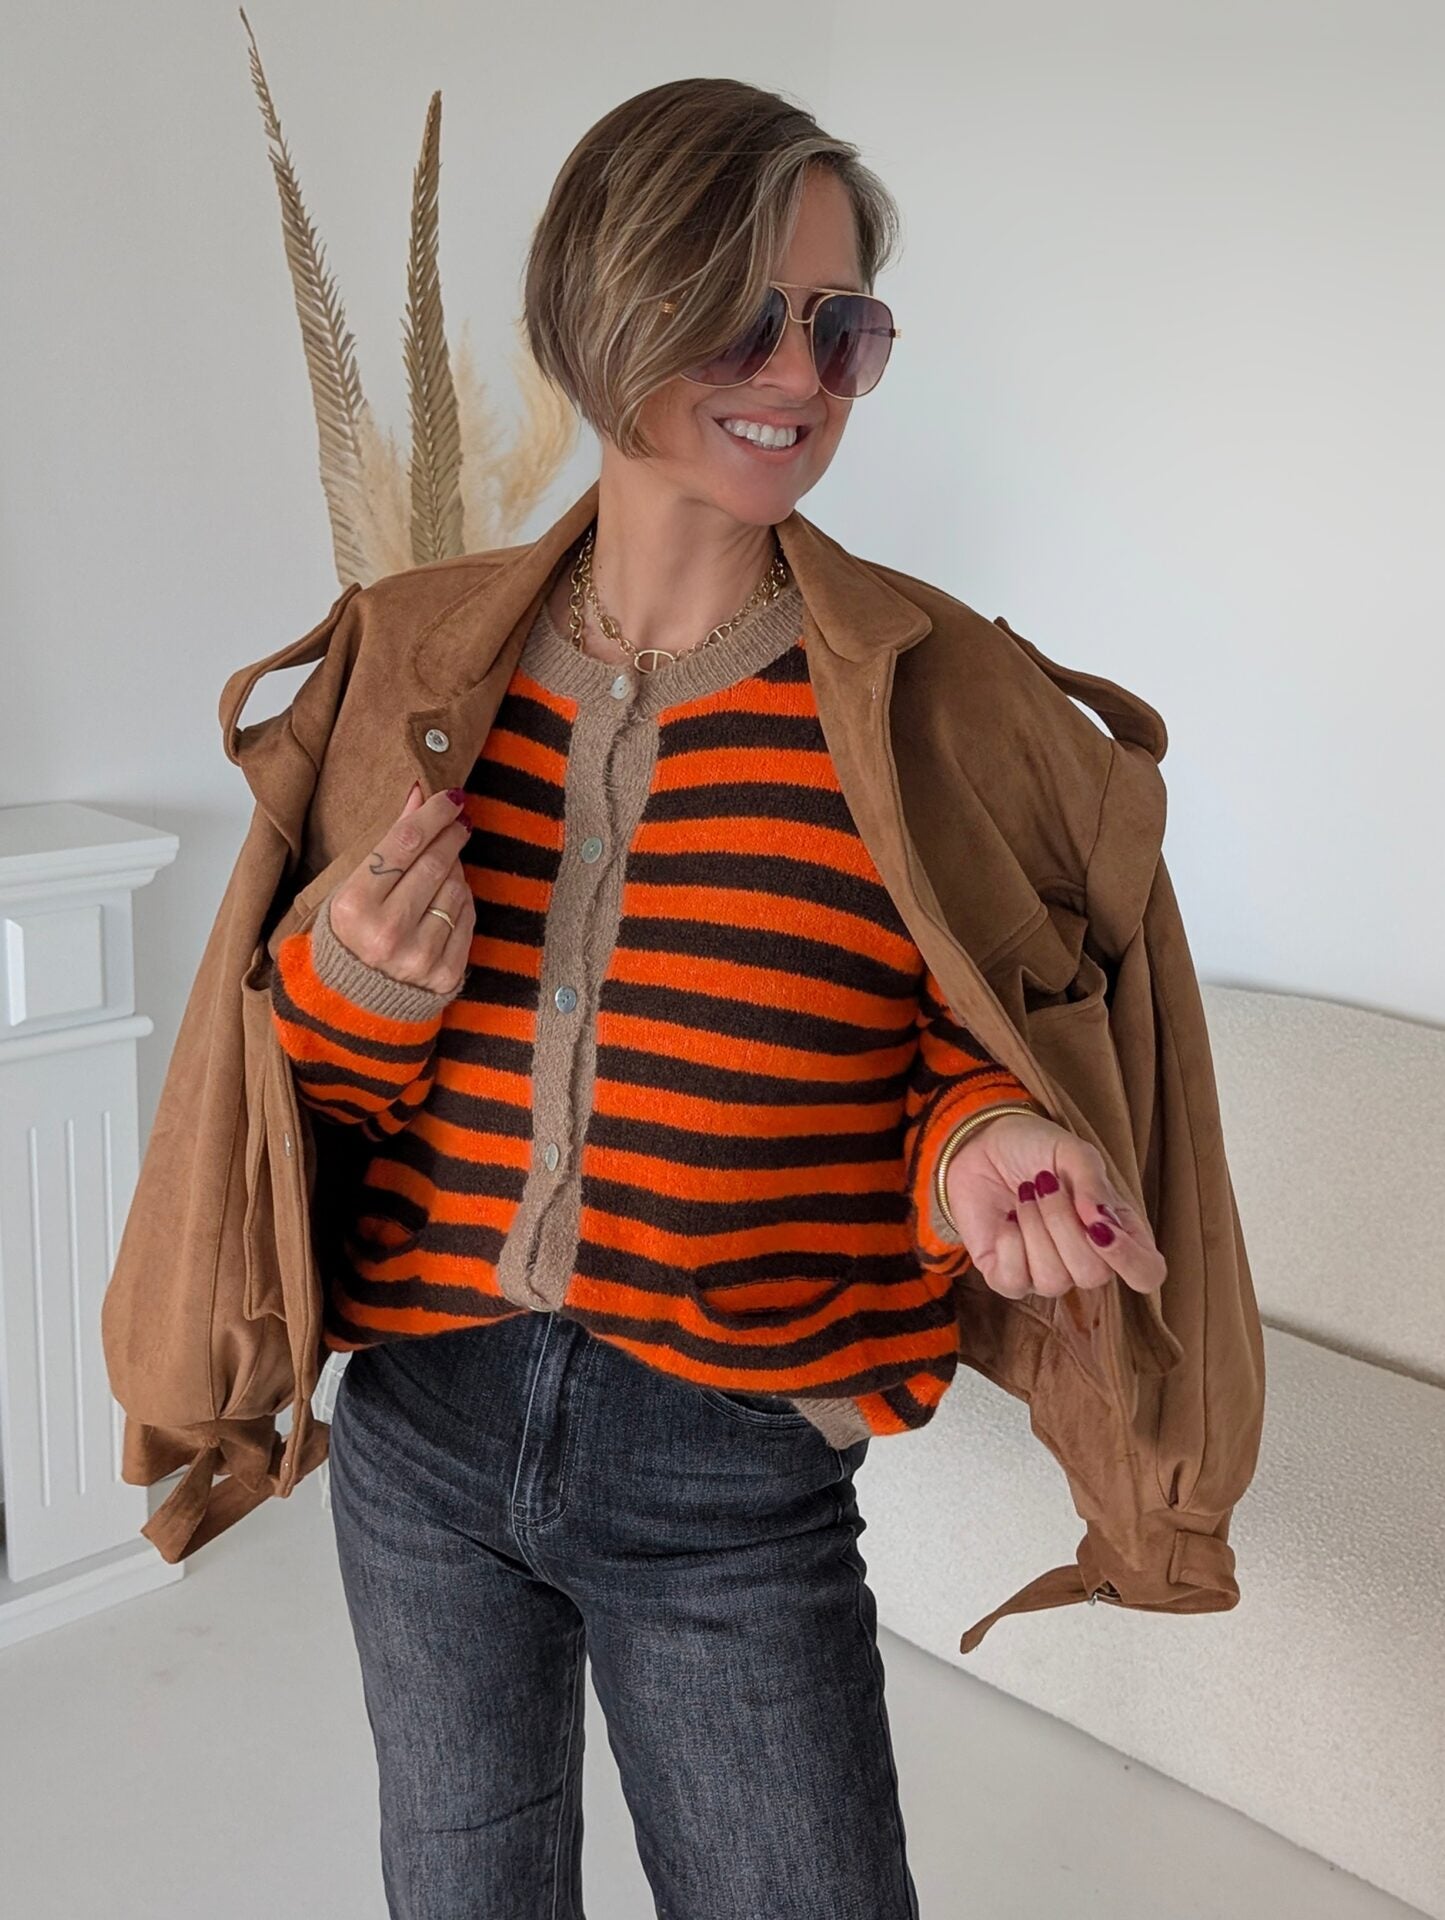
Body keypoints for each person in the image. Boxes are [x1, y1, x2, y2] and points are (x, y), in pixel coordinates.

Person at [268, 76, 1166, 1920]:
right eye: (748, 313)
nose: (800, 373)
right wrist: (350, 986)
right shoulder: (419, 664)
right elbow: (297, 1103)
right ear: (602, 307)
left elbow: (944, 1045)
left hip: (731, 1465)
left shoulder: (919, 697)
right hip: (420, 1434)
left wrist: (980, 1140)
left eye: (842, 328)